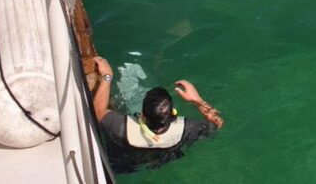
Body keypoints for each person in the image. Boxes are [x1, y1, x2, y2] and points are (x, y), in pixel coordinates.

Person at [92, 56, 223, 174]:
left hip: (124, 166)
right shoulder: (188, 129)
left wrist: (107, 76)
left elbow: (98, 110)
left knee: (113, 103)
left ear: (142, 115)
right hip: (159, 161)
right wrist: (198, 101)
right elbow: (217, 123)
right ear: (173, 113)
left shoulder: (120, 127)